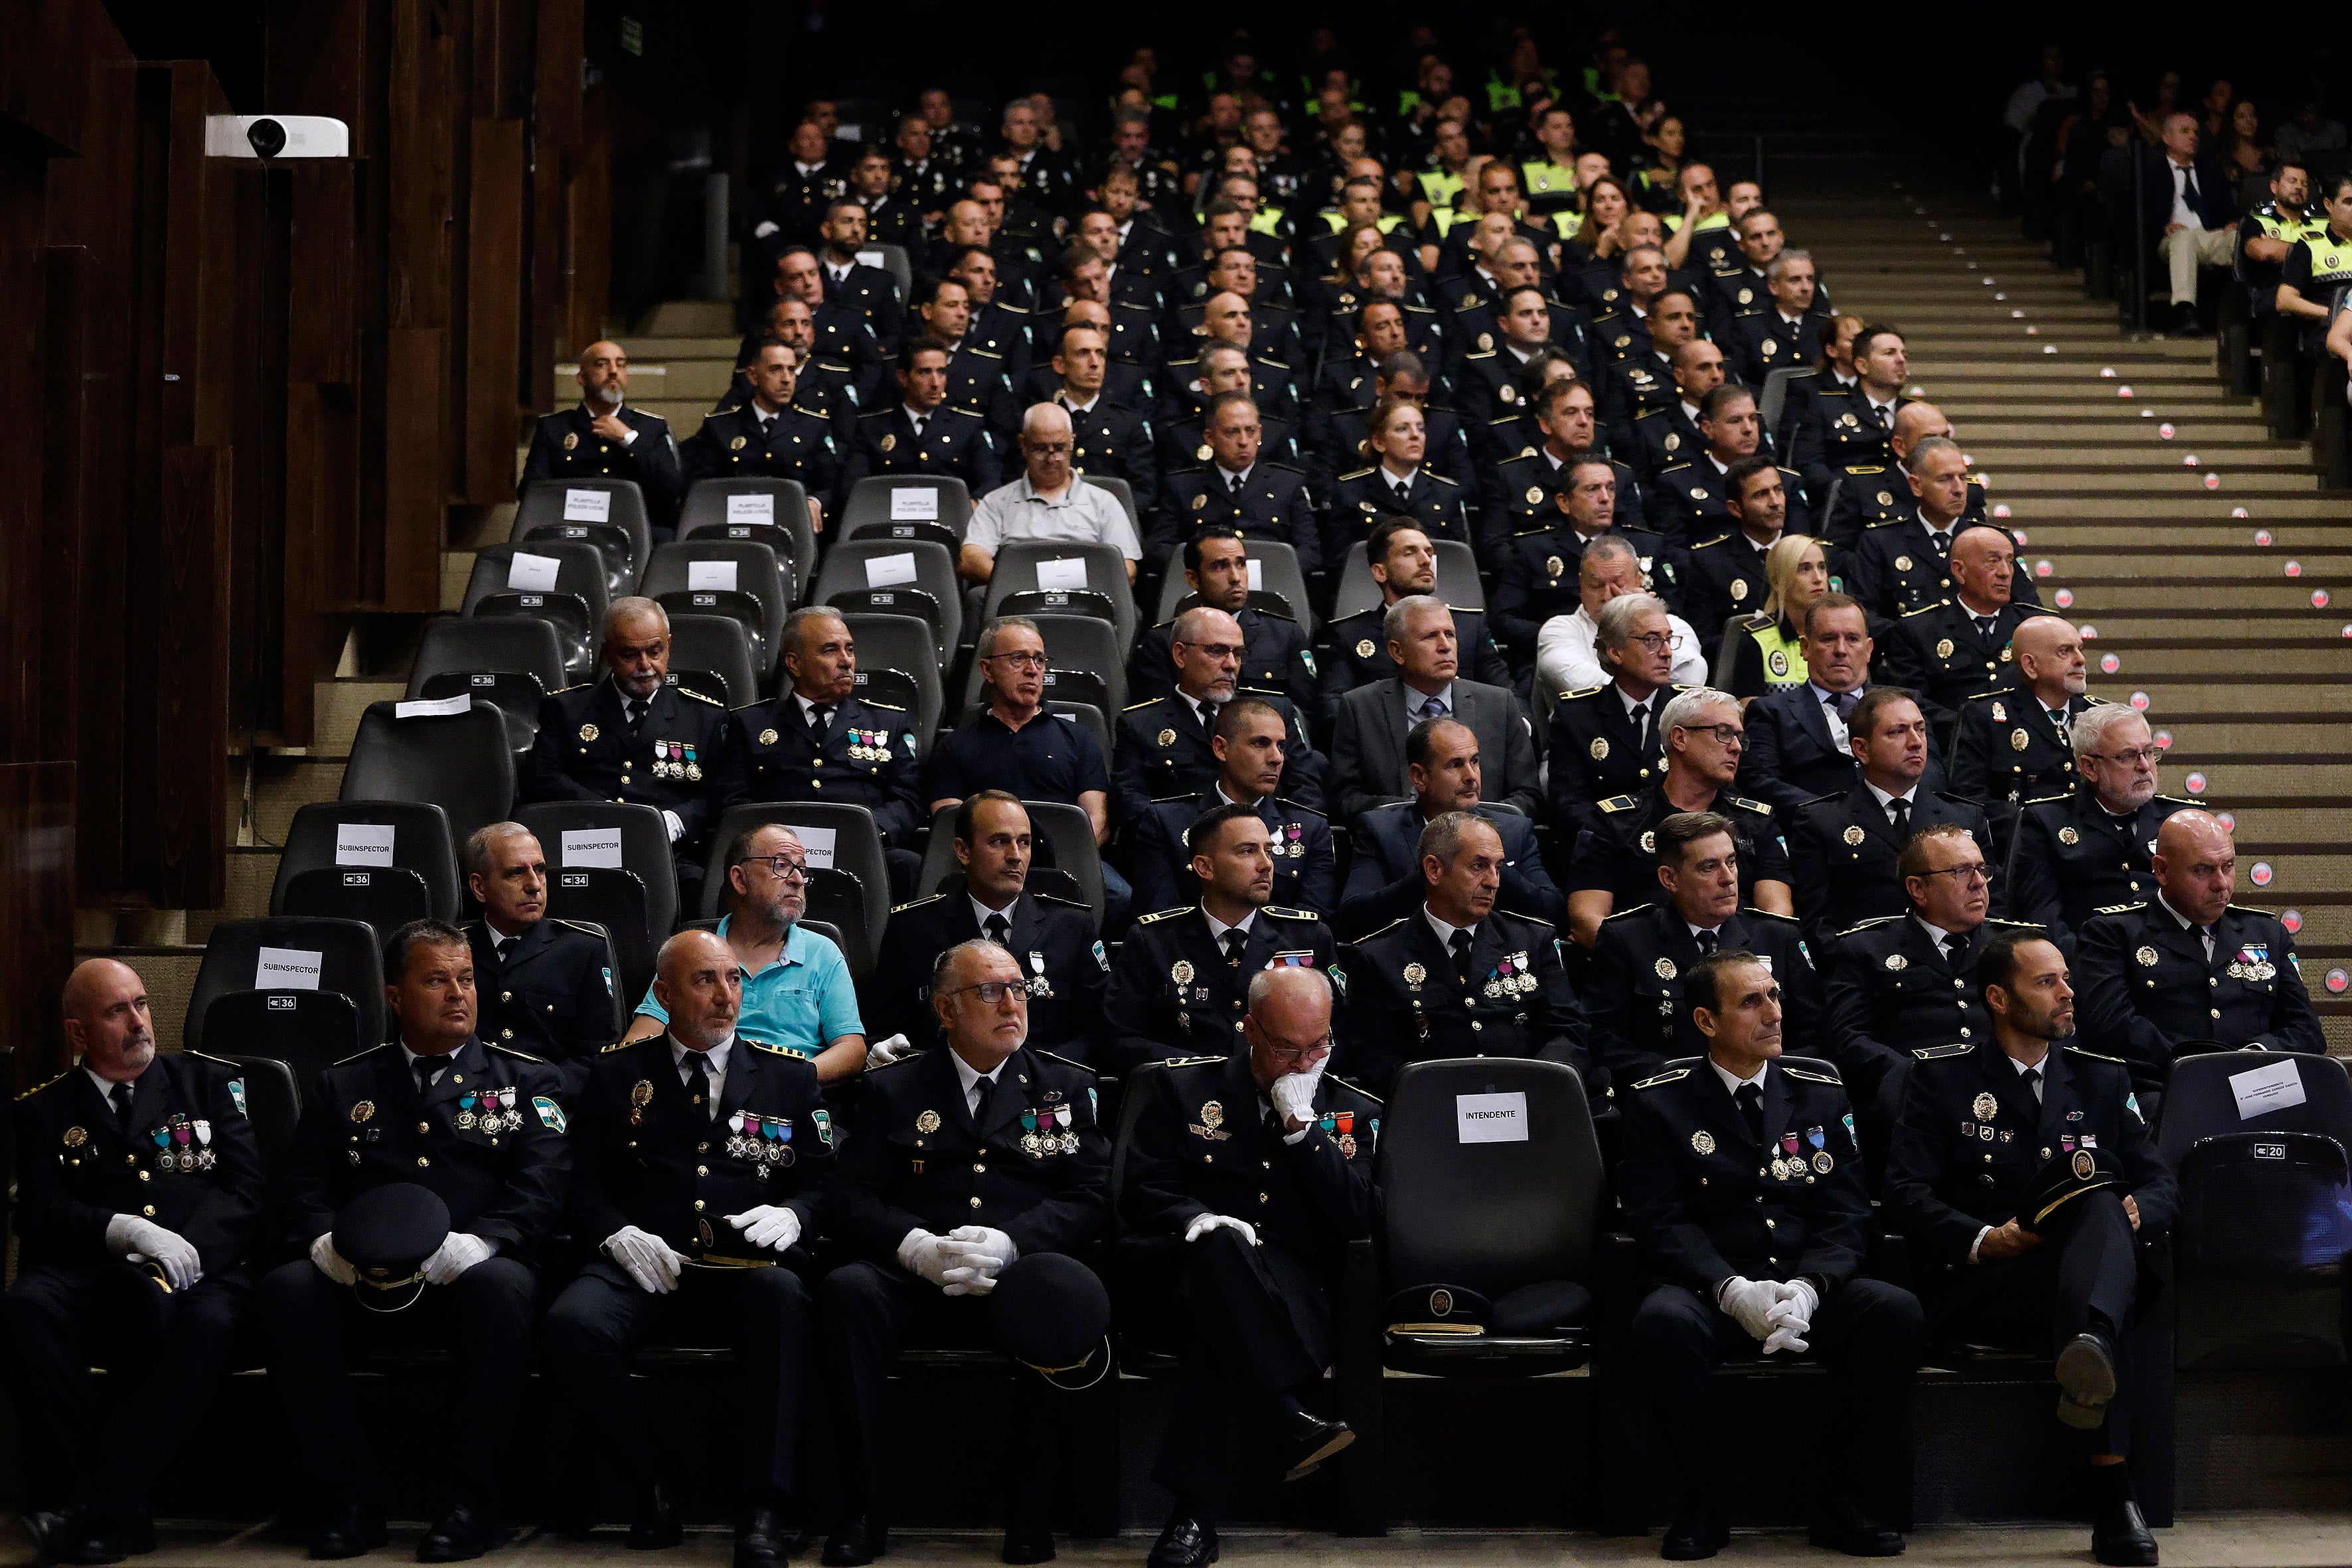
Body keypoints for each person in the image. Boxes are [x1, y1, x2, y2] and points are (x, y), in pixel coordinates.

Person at [260, 920, 570, 1561]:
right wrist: (323, 1240)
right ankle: (348, 1497)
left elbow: (543, 1184)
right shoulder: (344, 1084)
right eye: (436, 981)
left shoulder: (527, 1081)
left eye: (465, 979)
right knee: (288, 1290)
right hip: (362, 1269)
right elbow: (303, 1182)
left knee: (503, 1288)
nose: (459, 994)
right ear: (396, 996)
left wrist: (485, 1241)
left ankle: (472, 1503)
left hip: (467, 1269)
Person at [817, 939, 1113, 1567]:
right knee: (848, 1290)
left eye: (1018, 989)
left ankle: (1031, 1514)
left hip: (1013, 1272)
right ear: (945, 1010)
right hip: (918, 1272)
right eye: (990, 991)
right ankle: (861, 1510)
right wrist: (912, 1242)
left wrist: (1015, 1242)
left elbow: (1092, 1196)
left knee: (1052, 1292)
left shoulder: (1065, 1085)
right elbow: (851, 1194)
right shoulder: (893, 1088)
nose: (1012, 1003)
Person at [1884, 928, 2175, 1568]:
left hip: (2074, 1281)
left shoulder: (2100, 1078)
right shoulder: (1942, 1078)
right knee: (2105, 1281)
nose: (2068, 993)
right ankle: (2113, 1496)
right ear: (1998, 998)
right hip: (1990, 1282)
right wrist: (1984, 1239)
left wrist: (2135, 1209)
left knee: (2103, 1198)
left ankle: (2091, 1344)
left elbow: (2158, 1183)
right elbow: (1905, 1192)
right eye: (2047, 983)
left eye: (2066, 978)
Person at [1618, 949, 1921, 1561]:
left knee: (1894, 1312)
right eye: (1751, 1002)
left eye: (1775, 996)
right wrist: (1730, 1289)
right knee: (1661, 1324)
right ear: (1705, 1022)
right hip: (1710, 1287)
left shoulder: (1819, 1091)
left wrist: (1812, 1286)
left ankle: (1840, 1501)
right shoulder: (1658, 1101)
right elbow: (1660, 1220)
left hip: (1804, 1284)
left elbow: (1846, 1210)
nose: (1773, 1013)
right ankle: (1702, 1504)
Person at [542, 930, 831, 1565]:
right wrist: (614, 1232)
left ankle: (763, 1508)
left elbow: (820, 1183)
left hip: (745, 1267)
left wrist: (794, 1215)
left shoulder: (787, 1076)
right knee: (572, 1324)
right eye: (705, 981)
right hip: (647, 1262)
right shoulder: (615, 1075)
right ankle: (648, 1484)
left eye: (732, 980)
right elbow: (582, 1183)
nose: (725, 995)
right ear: (665, 993)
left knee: (784, 1300)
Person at [3, 960, 265, 1565]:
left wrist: (183, 1251)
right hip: (88, 1272)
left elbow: (247, 1189)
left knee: (211, 1326)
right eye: (117, 1011)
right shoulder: (43, 1111)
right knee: (24, 1310)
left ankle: (97, 1504)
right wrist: (121, 1230)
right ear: (77, 1033)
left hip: (198, 1270)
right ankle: (109, 1504)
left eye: (142, 1004)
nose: (138, 1020)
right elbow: (40, 1214)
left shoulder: (207, 1085)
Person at [1123, 967, 1380, 1568]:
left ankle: (1193, 1517)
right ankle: (1287, 1415)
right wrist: (1196, 1217)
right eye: (1287, 1046)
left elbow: (1360, 1219)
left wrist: (1301, 1131)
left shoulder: (1348, 1109)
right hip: (1183, 1277)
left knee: (1220, 1328)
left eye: (1318, 1045)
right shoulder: (1183, 1091)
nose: (1303, 1061)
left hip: (1292, 1303)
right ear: (1249, 1031)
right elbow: (1140, 1189)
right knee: (1217, 1256)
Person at [2073, 811, 2323, 1097]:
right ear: (2162, 871)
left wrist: (2255, 1057)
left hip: (2258, 1091)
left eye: (2228, 867)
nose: (2222, 884)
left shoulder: (2267, 934)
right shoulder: (2112, 934)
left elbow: (2307, 1030)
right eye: (2203, 870)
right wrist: (2200, 1068)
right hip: (2162, 1091)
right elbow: (2109, 1028)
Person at [1338, 812, 1587, 1097]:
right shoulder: (1378, 957)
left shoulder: (1533, 940)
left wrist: (1528, 1087)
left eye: (1498, 868)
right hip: (1431, 1115)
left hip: (1530, 1103)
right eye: (1479, 866)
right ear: (1434, 870)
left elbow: (1570, 1031)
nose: (1493, 882)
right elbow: (1375, 1060)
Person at [1585, 812, 1822, 1091]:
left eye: (1731, 862)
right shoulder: (1627, 940)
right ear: (1669, 878)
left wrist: (1758, 1078)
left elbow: (1815, 1035)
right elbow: (1601, 1037)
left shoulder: (1777, 937)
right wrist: (1678, 1080)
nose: (1728, 878)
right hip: (1670, 1099)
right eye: (1709, 867)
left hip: (1767, 1094)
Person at [867, 791, 1109, 1064]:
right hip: (944, 1091)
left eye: (1024, 843)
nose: (1015, 856)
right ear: (963, 850)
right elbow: (883, 1031)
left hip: (1042, 1091)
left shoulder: (1070, 928)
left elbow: (1097, 1032)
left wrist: (1038, 1073)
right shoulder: (913, 929)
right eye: (999, 842)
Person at [620, 824, 868, 1081]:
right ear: (739, 879)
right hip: (700, 1091)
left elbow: (851, 1048)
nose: (797, 880)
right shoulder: (694, 951)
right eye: (781, 866)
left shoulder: (823, 952)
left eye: (801, 869)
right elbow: (641, 1040)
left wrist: (793, 1081)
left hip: (787, 1100)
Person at [525, 599, 730, 908]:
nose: (645, 665)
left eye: (655, 652)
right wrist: (607, 816)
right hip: (584, 844)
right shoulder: (568, 710)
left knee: (704, 892)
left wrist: (676, 820)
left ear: (669, 647)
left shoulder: (704, 718)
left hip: (669, 854)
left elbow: (719, 791)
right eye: (630, 654)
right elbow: (542, 778)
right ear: (607, 653)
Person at [1105, 805, 1339, 1074]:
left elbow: (1340, 1035)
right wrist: (1216, 1073)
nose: (1266, 865)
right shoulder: (1152, 941)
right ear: (1205, 867)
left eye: (1268, 850)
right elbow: (1119, 1040)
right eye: (1248, 851)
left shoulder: (1308, 937)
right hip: (1186, 1100)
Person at [710, 608, 925, 896]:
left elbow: (908, 797)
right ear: (795, 663)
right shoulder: (750, 724)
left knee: (908, 865)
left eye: (849, 650)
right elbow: (732, 801)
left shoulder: (888, 722)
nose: (846, 661)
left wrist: (867, 832)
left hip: (862, 851)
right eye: (830, 651)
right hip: (775, 859)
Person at [1565, 687, 1793, 947]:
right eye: (1724, 734)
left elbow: (1777, 916)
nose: (1737, 748)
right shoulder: (1616, 820)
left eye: (1740, 737)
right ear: (1680, 738)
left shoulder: (1756, 820)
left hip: (1737, 966)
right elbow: (1585, 918)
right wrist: (1653, 964)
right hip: (1646, 974)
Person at [1820, 823, 2018, 1121]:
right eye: (1961, 871)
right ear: (1918, 889)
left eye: (1981, 869)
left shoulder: (2014, 947)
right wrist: (1915, 1077)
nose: (1979, 882)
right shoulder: (1866, 949)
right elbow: (1847, 1038)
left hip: (2007, 1097)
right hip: (1913, 1108)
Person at [926, 617, 1121, 919]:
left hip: (1066, 865)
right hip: (982, 871)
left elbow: (1097, 819)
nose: (1032, 670)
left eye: (1040, 660)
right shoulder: (956, 746)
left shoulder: (1079, 739)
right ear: (986, 669)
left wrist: (1043, 859)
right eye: (1018, 659)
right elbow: (948, 821)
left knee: (1120, 898)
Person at [1787, 688, 1998, 940]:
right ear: (1862, 750)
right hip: (1866, 968)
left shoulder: (1965, 817)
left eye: (1920, 729)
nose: (1916, 742)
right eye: (1898, 732)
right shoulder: (1822, 822)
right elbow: (1818, 924)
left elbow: (1993, 912)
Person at [1341, 717, 1565, 933]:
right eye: (1455, 765)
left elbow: (1553, 911)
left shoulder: (1514, 830)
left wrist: (1487, 865)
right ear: (1419, 777)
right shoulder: (1381, 830)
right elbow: (1352, 917)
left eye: (1474, 761)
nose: (1471, 776)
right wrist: (1435, 873)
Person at [1329, 595, 1541, 822]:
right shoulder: (1360, 708)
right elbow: (1345, 798)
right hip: (1398, 844)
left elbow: (1528, 796)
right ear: (1397, 652)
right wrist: (1408, 817)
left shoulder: (1499, 704)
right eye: (1431, 637)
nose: (1445, 646)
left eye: (1450, 635)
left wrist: (1477, 826)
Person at [2007, 706, 2195, 952]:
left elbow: (2204, 906)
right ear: (2089, 768)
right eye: (2127, 756)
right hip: (2085, 968)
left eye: (2148, 753)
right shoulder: (2046, 822)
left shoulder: (2183, 820)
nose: (2145, 766)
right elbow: (2042, 920)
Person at [1115, 606, 1324, 823]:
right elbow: (1130, 803)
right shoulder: (1141, 725)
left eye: (1238, 654)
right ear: (1180, 655)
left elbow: (1306, 791)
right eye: (1217, 651)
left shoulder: (1275, 711)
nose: (1232, 665)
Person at [1132, 697, 1334, 916]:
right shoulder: (1165, 823)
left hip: (1279, 950)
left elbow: (1314, 923)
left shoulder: (1310, 829)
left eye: (1281, 746)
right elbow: (1161, 921)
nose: (1277, 758)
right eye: (1261, 744)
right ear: (1221, 748)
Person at [461, 824, 619, 1091]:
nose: (534, 885)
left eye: (541, 870)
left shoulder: (582, 950)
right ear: (479, 887)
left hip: (552, 1104)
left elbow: (597, 1056)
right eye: (516, 873)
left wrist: (543, 1093)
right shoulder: (453, 950)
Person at [1736, 593, 1917, 821]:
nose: (1841, 650)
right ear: (1805, 647)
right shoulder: (1770, 712)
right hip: (1813, 835)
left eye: (1852, 639)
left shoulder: (1906, 706)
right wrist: (1832, 814)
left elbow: (1933, 774)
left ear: (1869, 649)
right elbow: (1759, 783)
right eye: (1829, 639)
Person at [1494, 451, 1678, 668]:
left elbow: (1675, 610)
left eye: (1610, 488)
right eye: (1593, 489)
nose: (1605, 498)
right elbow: (1504, 621)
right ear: (1564, 502)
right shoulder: (1532, 551)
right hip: (1558, 660)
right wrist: (1565, 636)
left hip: (1640, 659)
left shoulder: (1646, 546)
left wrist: (1643, 607)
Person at [1316, 521, 1512, 724]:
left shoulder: (1469, 627)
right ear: (1380, 572)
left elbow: (1508, 694)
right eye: (1410, 553)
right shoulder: (1351, 634)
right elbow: (1333, 707)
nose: (1426, 561)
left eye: (1429, 553)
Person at [1948, 616, 2100, 860]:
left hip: (2096, 852)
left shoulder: (2100, 716)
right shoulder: (1987, 718)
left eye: (2080, 650)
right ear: (2031, 666)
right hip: (2019, 854)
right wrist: (2041, 830)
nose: (2081, 660)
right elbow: (1969, 803)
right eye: (2066, 651)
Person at [1546, 591, 1690, 841]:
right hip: (1607, 854)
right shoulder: (1576, 716)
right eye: (1652, 641)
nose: (1667, 653)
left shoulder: (1689, 711)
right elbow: (1569, 806)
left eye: (1669, 640)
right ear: (1615, 652)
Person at [1127, 526, 1316, 714]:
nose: (1235, 577)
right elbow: (1156, 719)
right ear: (1193, 579)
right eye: (1220, 566)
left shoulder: (1285, 635)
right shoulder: (1163, 641)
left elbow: (1303, 716)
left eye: (1241, 564)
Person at [1875, 526, 2037, 745]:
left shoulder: (2035, 627)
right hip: (1952, 748)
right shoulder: (1918, 630)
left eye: (2009, 561)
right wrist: (1973, 728)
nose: (2005, 572)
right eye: (1993, 561)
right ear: (1960, 571)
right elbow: (1910, 702)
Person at [961, 403, 1143, 586]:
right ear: (1023, 444)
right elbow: (971, 558)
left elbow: (1127, 569)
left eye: (1059, 447)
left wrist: (1068, 585)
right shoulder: (996, 502)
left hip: (1086, 598)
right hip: (1016, 597)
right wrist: (1023, 584)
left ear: (1072, 442)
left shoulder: (1104, 502)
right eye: (1041, 449)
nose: (1052, 458)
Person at [519, 341, 686, 539]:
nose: (614, 371)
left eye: (621, 364)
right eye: (601, 364)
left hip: (637, 535)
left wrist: (628, 438)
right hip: (571, 532)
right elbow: (530, 492)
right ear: (581, 378)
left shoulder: (651, 427)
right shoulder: (555, 428)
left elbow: (671, 489)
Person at [1149, 393, 1321, 575]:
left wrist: (1261, 573)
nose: (1243, 441)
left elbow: (1310, 552)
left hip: (1272, 587)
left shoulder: (1287, 485)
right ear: (1210, 437)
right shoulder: (1183, 487)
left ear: (1260, 433)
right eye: (1232, 432)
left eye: (1251, 431)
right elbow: (1159, 549)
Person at [682, 342, 838, 536]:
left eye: (791, 370)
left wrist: (815, 501)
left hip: (793, 529)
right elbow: (702, 487)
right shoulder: (721, 427)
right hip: (733, 528)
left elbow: (829, 483)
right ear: (753, 376)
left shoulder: (812, 426)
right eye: (776, 370)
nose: (786, 379)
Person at [1535, 539, 1707, 698]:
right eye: (1597, 586)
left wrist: (1643, 615)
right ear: (1582, 584)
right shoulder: (1559, 630)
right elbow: (1578, 682)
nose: (1607, 595)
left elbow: (1692, 677)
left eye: (1618, 584)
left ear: (1638, 581)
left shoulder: (1673, 626)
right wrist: (1646, 682)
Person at [1682, 455, 1808, 661]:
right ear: (1735, 508)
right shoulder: (1709, 562)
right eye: (1761, 495)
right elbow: (1705, 642)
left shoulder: (1808, 553)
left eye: (1778, 490)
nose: (1775, 502)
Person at [840, 341, 1002, 495]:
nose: (936, 383)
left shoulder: (967, 426)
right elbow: (853, 487)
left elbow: (990, 481)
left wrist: (972, 504)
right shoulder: (872, 428)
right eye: (925, 372)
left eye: (942, 372)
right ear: (903, 377)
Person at [1324, 398, 1472, 561]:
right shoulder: (1350, 492)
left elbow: (1459, 562)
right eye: (1403, 429)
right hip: (1371, 584)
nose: (1415, 435)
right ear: (1379, 442)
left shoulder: (1446, 493)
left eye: (1421, 429)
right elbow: (1341, 563)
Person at [1042, 323, 1159, 513]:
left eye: (1101, 354)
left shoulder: (1128, 423)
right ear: (1060, 364)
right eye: (1083, 353)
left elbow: (1144, 490)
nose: (1095, 362)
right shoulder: (1044, 420)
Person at [2142, 112, 2237, 334]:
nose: (2193, 137)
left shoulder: (2210, 171)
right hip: (2172, 238)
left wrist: (2234, 223)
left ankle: (2249, 309)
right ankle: (2185, 310)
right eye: (2185, 131)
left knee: (2241, 239)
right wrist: (2162, 227)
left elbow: (2230, 210)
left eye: (2196, 132)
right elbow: (2141, 214)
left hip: (2209, 236)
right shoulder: (2152, 172)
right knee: (2184, 238)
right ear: (2166, 137)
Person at [1718, 535, 1829, 701]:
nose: (1818, 578)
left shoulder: (1838, 636)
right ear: (1777, 581)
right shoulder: (1757, 639)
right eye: (1804, 569)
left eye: (1822, 567)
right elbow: (1747, 709)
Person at [1722, 250, 1825, 390]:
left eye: (1810, 279)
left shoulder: (1825, 326)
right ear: (1774, 287)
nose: (1806, 288)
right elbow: (1739, 379)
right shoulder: (1750, 327)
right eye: (1795, 280)